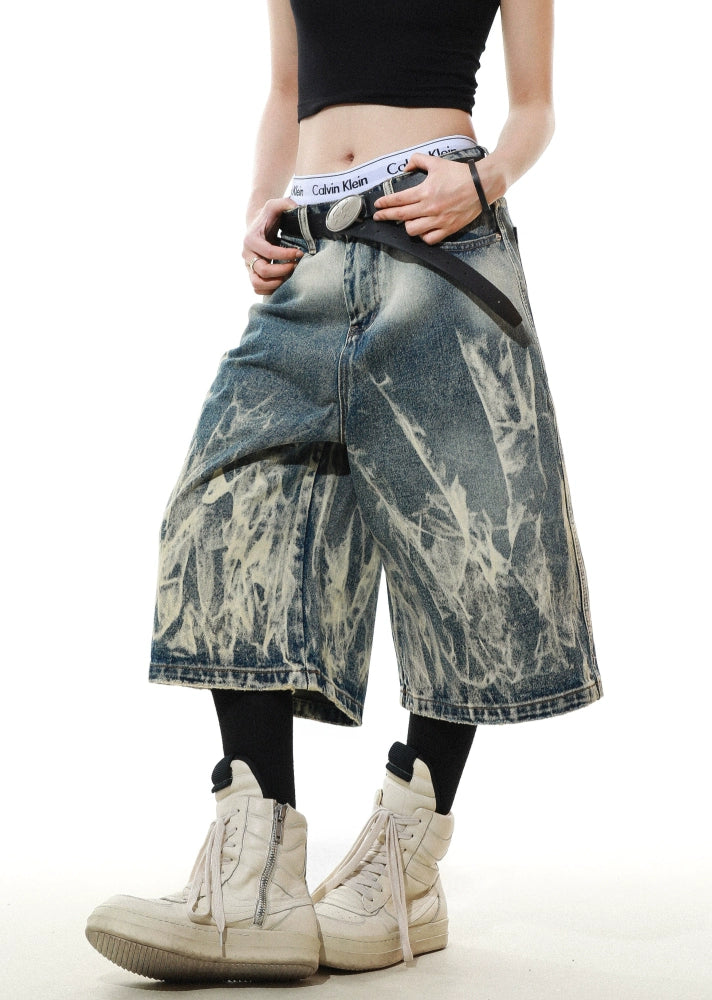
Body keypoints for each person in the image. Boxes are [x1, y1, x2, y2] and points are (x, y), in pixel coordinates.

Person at [86, 0, 602, 983]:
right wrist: (259, 202)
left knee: (465, 538)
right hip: (312, 245)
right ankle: (256, 880)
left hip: (440, 233)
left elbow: (535, 106)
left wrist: (485, 180)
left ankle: (405, 862)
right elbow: (287, 88)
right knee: (224, 509)